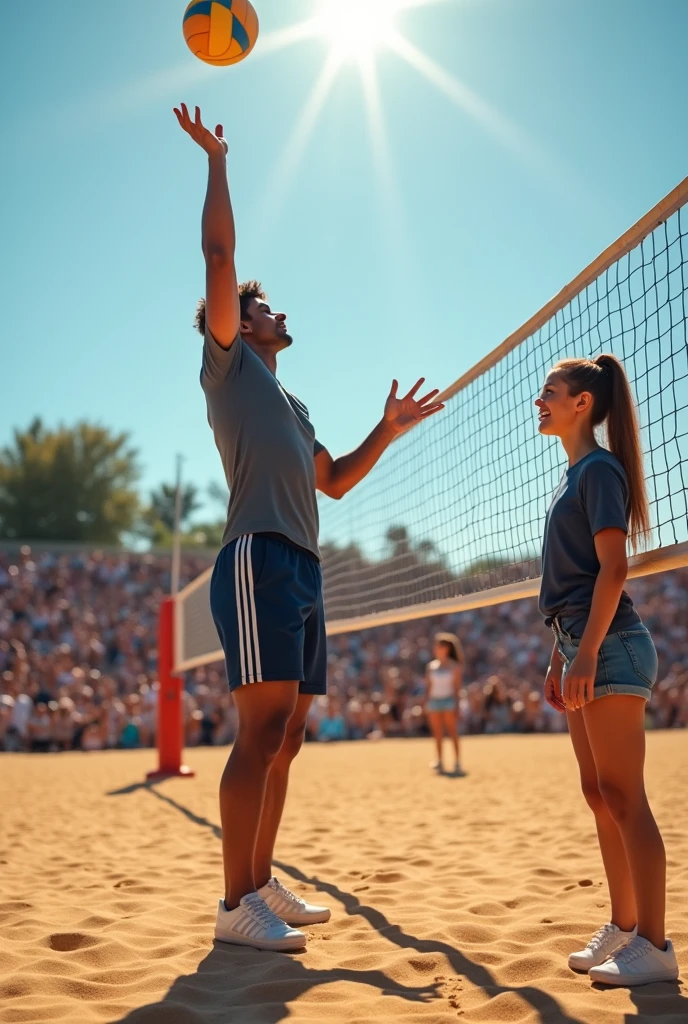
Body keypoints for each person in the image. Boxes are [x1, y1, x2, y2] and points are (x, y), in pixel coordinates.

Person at [173, 103, 444, 953]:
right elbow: (220, 255)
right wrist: (218, 159)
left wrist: (387, 430)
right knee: (259, 732)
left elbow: (333, 481)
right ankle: (233, 906)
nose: (282, 316)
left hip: (303, 565)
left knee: (288, 737)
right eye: (269, 309)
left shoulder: (292, 403)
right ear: (243, 322)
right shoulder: (229, 364)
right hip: (254, 559)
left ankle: (260, 880)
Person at [536, 353, 678, 986]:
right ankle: (624, 928)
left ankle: (655, 943)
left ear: (582, 404)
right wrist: (560, 654)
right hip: (582, 642)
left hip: (611, 644)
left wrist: (586, 651)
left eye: (550, 392)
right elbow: (576, 583)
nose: (540, 401)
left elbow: (613, 571)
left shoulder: (598, 470)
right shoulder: (576, 474)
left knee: (625, 798)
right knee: (599, 796)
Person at [422, 632, 464, 775]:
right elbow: (428, 687)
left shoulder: (454, 667)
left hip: (448, 701)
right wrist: (426, 702)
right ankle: (439, 760)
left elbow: (457, 688)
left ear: (446, 648)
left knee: (452, 732)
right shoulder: (431, 667)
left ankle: (457, 761)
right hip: (434, 701)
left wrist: (457, 705)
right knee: (437, 733)